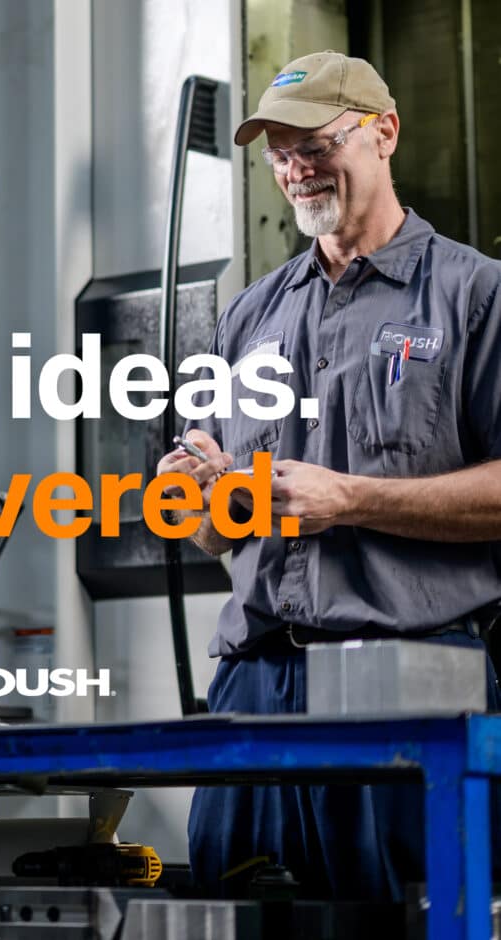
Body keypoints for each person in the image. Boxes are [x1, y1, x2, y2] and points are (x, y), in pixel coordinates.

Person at [155, 50, 501, 901]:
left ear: (384, 132)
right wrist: (197, 497)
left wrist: (351, 498)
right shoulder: (249, 315)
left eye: (315, 142)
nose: (295, 169)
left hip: (410, 688)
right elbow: (217, 535)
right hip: (255, 687)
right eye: (277, 151)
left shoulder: (475, 296)